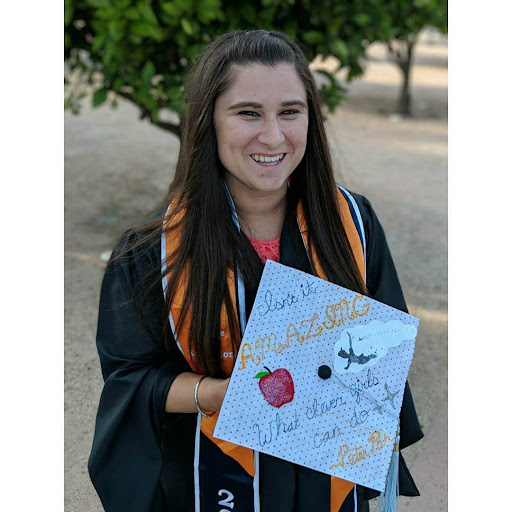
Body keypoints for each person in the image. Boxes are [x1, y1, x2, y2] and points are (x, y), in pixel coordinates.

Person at [88, 30, 423, 512]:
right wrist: (223, 394)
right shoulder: (153, 251)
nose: (272, 136)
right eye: (248, 113)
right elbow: (131, 379)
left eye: (290, 111)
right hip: (215, 481)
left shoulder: (353, 224)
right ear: (209, 123)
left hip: (328, 480)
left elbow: (384, 347)